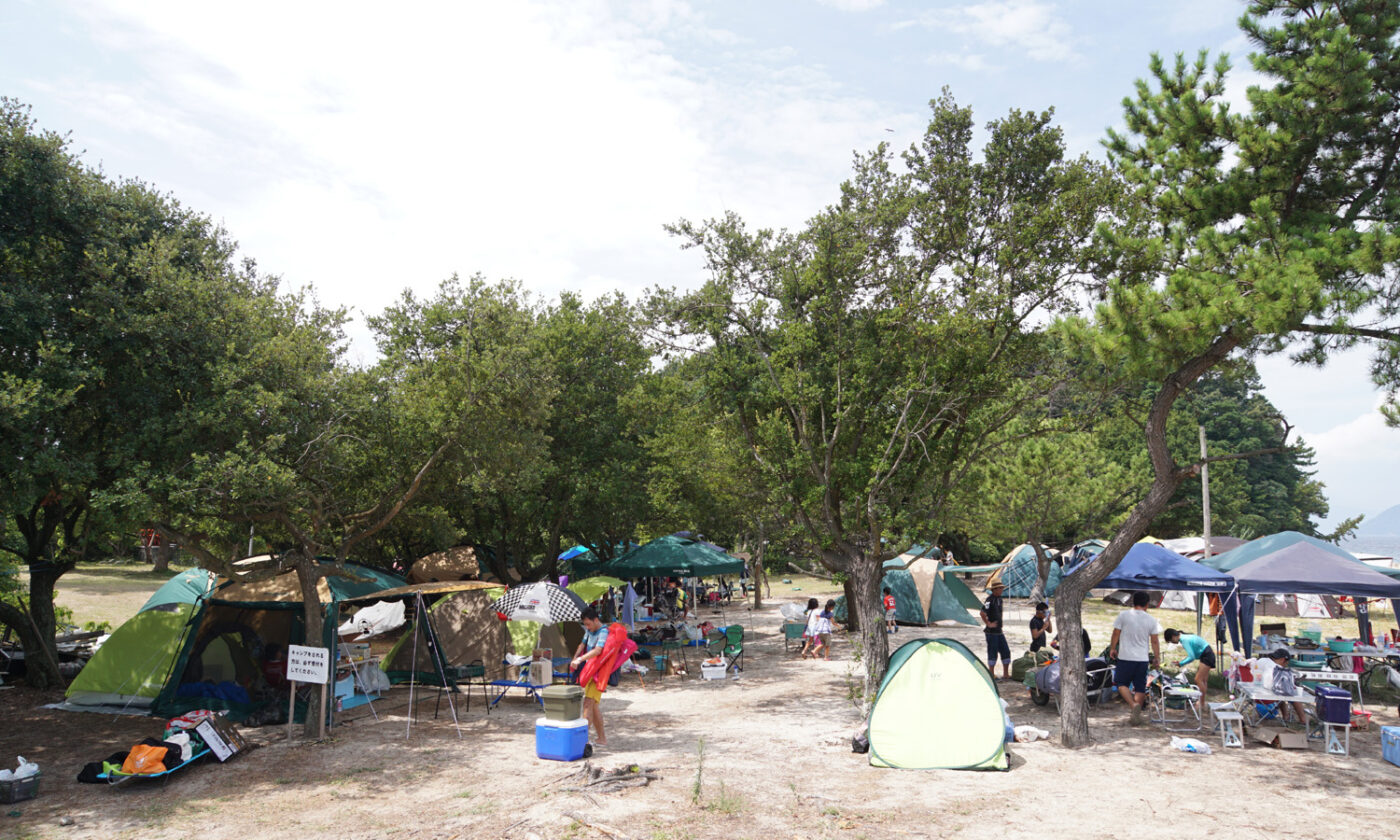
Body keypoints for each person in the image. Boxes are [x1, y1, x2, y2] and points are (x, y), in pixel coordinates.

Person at [1110, 591, 1162, 725]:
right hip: (1142, 659)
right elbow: (1154, 641)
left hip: (1125, 657)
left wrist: (1113, 648)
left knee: (1121, 683)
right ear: (1147, 604)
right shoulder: (1151, 620)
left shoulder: (1123, 615)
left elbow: (1116, 633)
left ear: (1133, 602)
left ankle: (1133, 705)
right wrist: (1156, 657)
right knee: (1140, 687)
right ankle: (1135, 716)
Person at [570, 607, 611, 747]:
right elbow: (582, 644)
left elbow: (598, 650)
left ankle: (582, 741)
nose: (587, 627)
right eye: (585, 624)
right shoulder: (589, 630)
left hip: (599, 674)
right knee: (593, 707)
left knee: (587, 704)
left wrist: (580, 659)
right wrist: (575, 657)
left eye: (588, 624)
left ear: (596, 620)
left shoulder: (604, 631)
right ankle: (602, 739)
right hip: (590, 672)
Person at [1163, 628, 1214, 701]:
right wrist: (1180, 663)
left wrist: (1181, 663)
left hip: (1207, 655)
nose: (1172, 643)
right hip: (1207, 653)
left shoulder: (1184, 640)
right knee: (1203, 680)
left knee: (1198, 679)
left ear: (1173, 636)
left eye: (1171, 641)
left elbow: (1191, 657)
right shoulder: (1184, 637)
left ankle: (1201, 703)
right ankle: (1202, 702)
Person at [1264, 648, 1310, 724]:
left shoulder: (1263, 661)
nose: (1286, 665)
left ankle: (1286, 716)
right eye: (1286, 663)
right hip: (1269, 694)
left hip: (1260, 693)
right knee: (1294, 695)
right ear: (1283, 660)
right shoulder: (1278, 668)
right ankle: (1303, 719)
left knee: (1281, 693)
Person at [980, 582, 1011, 679]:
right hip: (991, 632)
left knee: (1005, 651)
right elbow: (982, 612)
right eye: (1000, 588)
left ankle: (1005, 674)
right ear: (995, 589)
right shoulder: (989, 600)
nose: (1001, 590)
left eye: (1002, 588)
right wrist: (988, 623)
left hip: (999, 630)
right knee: (992, 652)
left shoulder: (1000, 599)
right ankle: (991, 674)